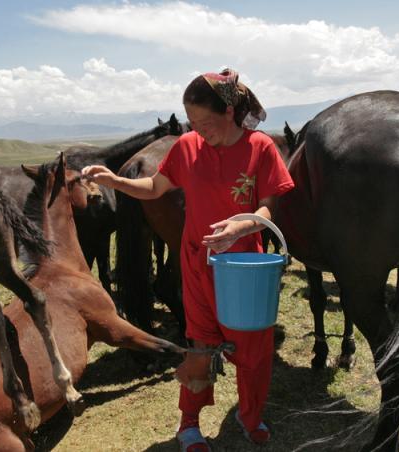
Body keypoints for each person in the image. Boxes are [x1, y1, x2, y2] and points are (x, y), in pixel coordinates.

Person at [82, 68, 294, 451]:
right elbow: (154, 187)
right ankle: (189, 425)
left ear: (229, 112)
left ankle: (250, 416)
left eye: (205, 121)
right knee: (198, 347)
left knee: (253, 349)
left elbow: (266, 211)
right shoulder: (187, 147)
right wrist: (114, 181)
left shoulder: (260, 148)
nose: (198, 129)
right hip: (197, 265)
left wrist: (240, 228)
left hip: (243, 266)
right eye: (192, 121)